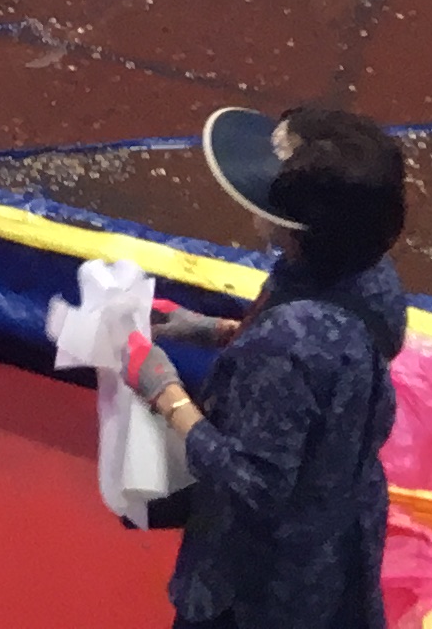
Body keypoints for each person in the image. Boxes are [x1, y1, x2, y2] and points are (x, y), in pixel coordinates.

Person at [130, 106, 410, 629]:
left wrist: (165, 393)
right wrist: (210, 328)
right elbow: (329, 359)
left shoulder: (287, 347)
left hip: (264, 579)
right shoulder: (370, 274)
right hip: (338, 525)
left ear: (301, 229)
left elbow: (253, 484)